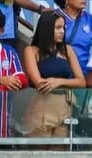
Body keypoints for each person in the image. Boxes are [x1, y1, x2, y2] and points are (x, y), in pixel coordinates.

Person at [21, 8, 86, 138]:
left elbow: (81, 81)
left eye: (63, 28)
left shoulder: (67, 50)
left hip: (65, 105)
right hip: (42, 104)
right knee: (40, 151)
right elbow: (38, 82)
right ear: (46, 29)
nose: (62, 31)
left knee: (61, 151)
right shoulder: (32, 51)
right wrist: (60, 83)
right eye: (58, 28)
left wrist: (59, 82)